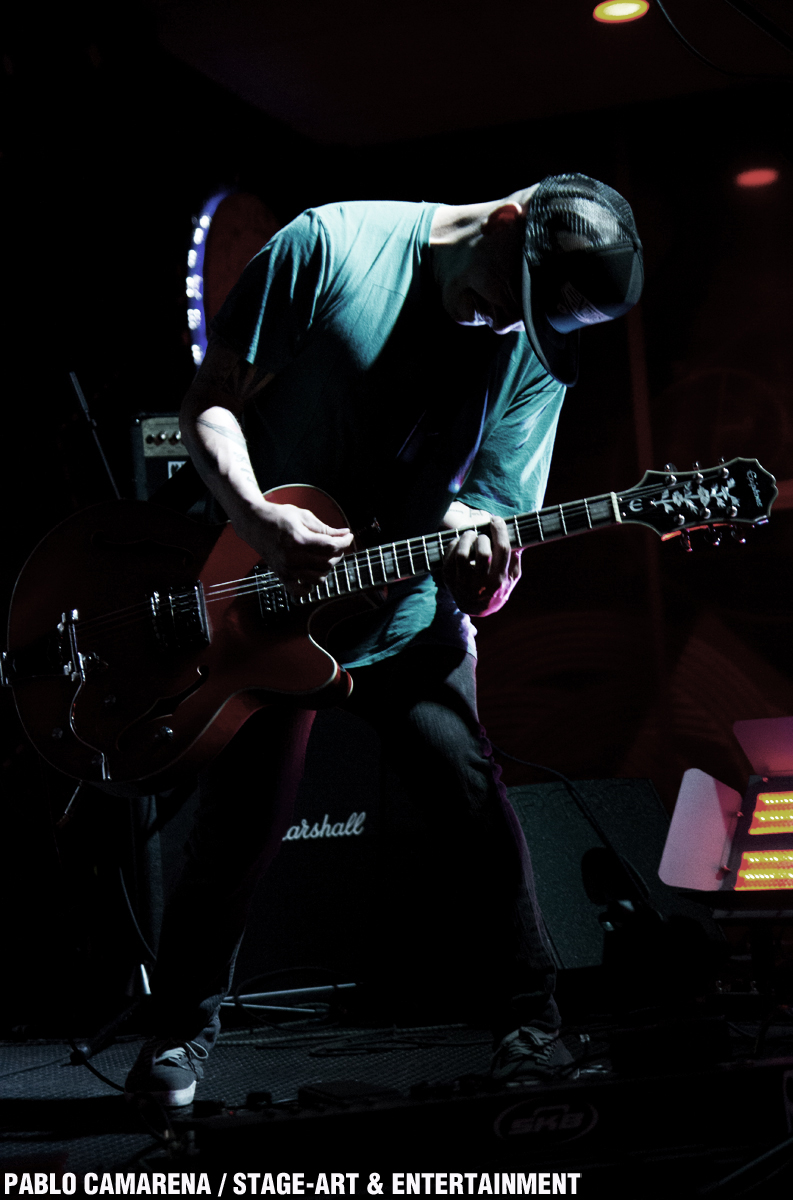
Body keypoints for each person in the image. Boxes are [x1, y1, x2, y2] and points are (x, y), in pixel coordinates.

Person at [125, 173, 643, 1107]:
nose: (508, 324)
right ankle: (177, 1040)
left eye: (533, 320)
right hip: (265, 599)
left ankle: (532, 1031)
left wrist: (487, 569)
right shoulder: (329, 247)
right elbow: (210, 402)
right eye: (514, 294)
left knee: (469, 800)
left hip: (402, 610)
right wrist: (256, 515)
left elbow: (491, 509)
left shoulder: (530, 349)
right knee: (239, 828)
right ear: (508, 220)